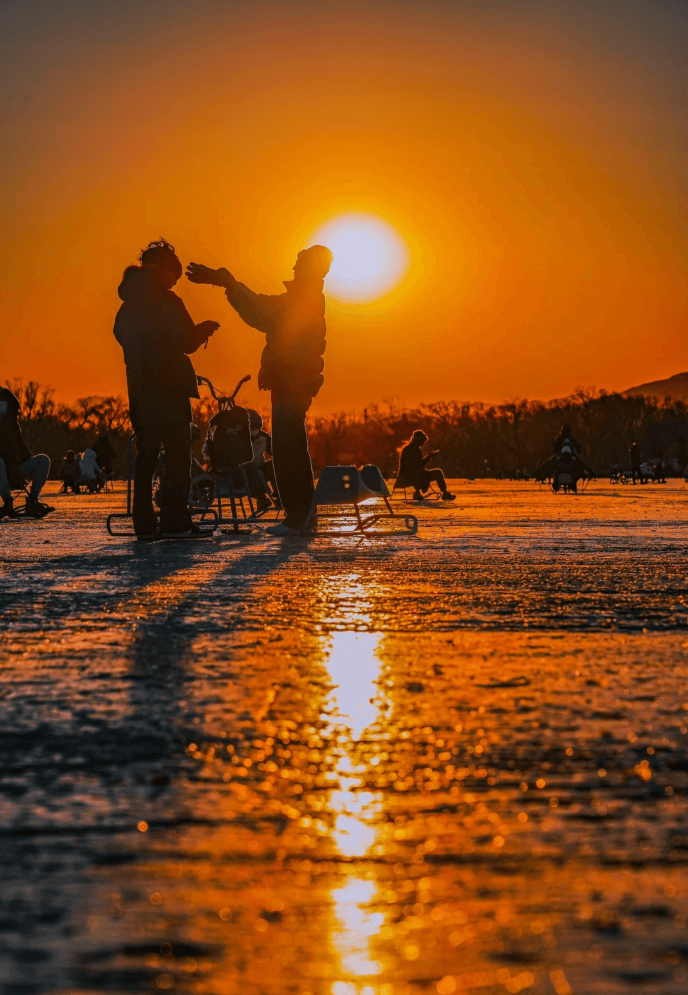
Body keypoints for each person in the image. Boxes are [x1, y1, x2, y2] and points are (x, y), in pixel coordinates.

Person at [186, 245, 333, 535]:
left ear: (312, 267)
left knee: (289, 447)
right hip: (289, 380)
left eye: (300, 262)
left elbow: (264, 312)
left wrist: (227, 282)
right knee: (287, 446)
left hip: (293, 381)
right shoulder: (302, 297)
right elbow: (262, 311)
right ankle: (299, 514)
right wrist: (228, 284)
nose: (294, 267)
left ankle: (300, 515)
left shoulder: (304, 299)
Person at [114, 239, 220, 539]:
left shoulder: (128, 303)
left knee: (146, 454)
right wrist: (204, 329)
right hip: (170, 387)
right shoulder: (168, 301)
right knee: (177, 455)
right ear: (162, 269)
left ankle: (144, 524)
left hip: (140, 388)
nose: (175, 282)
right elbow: (186, 341)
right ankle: (175, 522)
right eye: (174, 275)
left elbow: (121, 334)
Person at [0, 387, 53, 518]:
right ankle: (7, 501)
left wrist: (28, 461)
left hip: (16, 469)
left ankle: (33, 500)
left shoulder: (14, 425)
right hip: (3, 470)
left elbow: (21, 447)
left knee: (43, 459)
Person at [396, 430, 456, 501]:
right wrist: (429, 457)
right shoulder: (415, 450)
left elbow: (417, 465)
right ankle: (444, 493)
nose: (423, 443)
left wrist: (428, 457)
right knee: (437, 472)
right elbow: (417, 467)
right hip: (408, 477)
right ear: (418, 441)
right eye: (423, 441)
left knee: (424, 473)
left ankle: (417, 492)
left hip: (406, 475)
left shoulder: (409, 448)